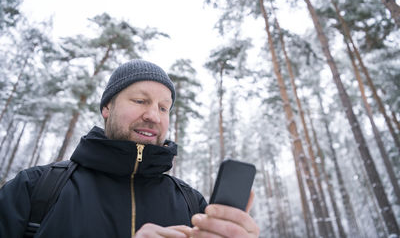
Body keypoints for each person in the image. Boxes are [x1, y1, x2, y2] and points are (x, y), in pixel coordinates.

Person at [0, 59, 260, 238]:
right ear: (107, 107)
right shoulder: (36, 188)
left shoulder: (193, 204)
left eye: (163, 107)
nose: (154, 116)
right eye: (140, 100)